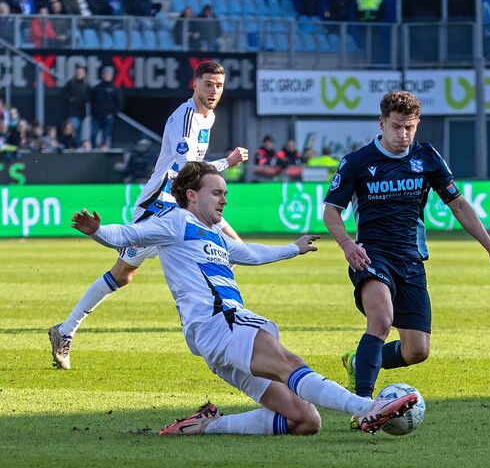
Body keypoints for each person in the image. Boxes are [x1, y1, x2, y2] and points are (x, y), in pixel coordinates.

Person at [70, 161, 419, 435]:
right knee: (290, 362)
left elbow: (249, 253)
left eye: (225, 194)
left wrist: (292, 249)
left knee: (305, 420)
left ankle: (206, 425)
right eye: (217, 192)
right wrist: (98, 231)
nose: (224, 199)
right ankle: (364, 408)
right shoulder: (176, 221)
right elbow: (131, 233)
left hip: (216, 339)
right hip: (220, 323)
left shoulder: (214, 235)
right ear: (192, 195)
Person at [48, 61, 248, 370]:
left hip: (183, 204)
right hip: (161, 205)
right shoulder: (186, 119)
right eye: (208, 84)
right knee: (222, 249)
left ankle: (65, 330)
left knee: (127, 273)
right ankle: (65, 330)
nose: (213, 91)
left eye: (219, 85)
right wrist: (225, 163)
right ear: (194, 84)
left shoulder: (208, 117)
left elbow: (193, 163)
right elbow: (185, 172)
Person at [323, 90, 490, 410]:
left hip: (411, 258)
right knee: (381, 320)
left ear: (418, 124)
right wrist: (346, 244)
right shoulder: (358, 162)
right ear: (381, 123)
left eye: (410, 127)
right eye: (396, 126)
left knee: (417, 351)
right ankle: (362, 406)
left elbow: (459, 205)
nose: (403, 134)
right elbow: (331, 212)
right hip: (371, 255)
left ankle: (359, 362)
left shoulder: (427, 158)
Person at [90, 66, 123, 149]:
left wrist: (112, 113)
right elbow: (92, 101)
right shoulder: (97, 88)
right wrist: (93, 112)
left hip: (108, 117)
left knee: (106, 136)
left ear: (112, 75)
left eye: (109, 74)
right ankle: (93, 149)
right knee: (93, 134)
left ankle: (104, 150)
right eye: (105, 73)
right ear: (102, 75)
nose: (107, 75)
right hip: (97, 116)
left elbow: (119, 103)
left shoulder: (115, 89)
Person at [61, 63, 90, 146]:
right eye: (77, 72)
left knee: (81, 133)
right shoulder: (71, 84)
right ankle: (72, 146)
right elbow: (63, 95)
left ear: (84, 74)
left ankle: (77, 147)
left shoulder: (87, 85)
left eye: (81, 72)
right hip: (73, 113)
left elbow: (90, 96)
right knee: (73, 131)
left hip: (83, 114)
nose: (79, 74)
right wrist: (71, 99)